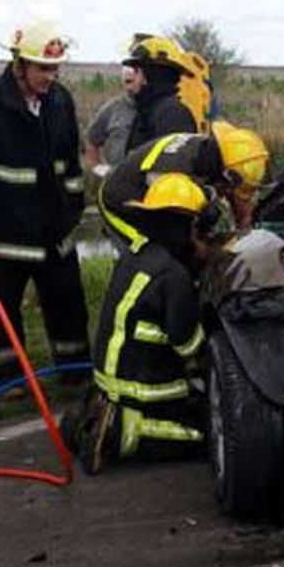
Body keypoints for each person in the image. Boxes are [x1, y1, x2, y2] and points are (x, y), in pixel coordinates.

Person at [0, 20, 91, 387]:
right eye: (43, 68)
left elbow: (69, 164)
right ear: (19, 64)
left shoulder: (60, 101)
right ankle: (7, 381)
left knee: (68, 308)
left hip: (53, 232)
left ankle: (74, 375)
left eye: (55, 69)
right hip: (0, 233)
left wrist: (74, 210)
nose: (50, 77)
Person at [79, 173, 210, 473]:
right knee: (209, 436)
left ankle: (94, 413)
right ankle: (121, 432)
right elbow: (188, 346)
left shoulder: (135, 254)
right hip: (146, 394)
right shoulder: (173, 277)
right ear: (184, 227)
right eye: (196, 228)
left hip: (113, 383)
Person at [98, 123, 269, 254]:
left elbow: (239, 205)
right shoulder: (173, 173)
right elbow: (174, 228)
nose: (227, 194)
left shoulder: (209, 151)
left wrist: (245, 234)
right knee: (151, 257)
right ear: (224, 175)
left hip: (148, 182)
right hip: (120, 201)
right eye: (229, 188)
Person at [123, 34, 199, 151]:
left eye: (137, 70)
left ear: (151, 75)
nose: (132, 77)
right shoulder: (148, 110)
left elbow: (173, 164)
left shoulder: (172, 115)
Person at [84, 66, 139, 172]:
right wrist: (97, 168)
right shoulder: (112, 109)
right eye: (128, 82)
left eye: (133, 82)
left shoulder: (158, 110)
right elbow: (91, 140)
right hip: (116, 178)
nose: (130, 88)